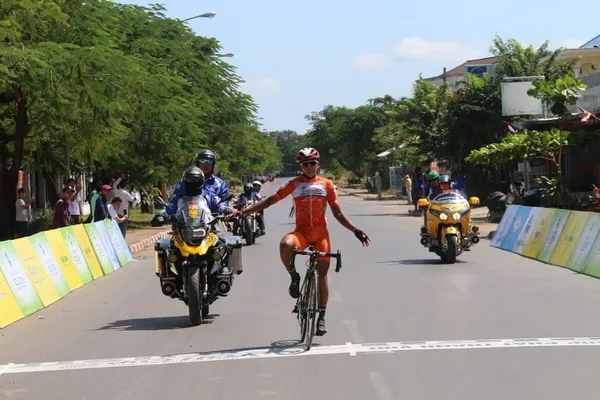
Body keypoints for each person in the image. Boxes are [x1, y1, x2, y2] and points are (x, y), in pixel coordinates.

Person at [226, 147, 371, 336]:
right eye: (305, 164)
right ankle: (294, 276)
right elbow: (270, 200)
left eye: (312, 164)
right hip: (301, 233)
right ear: (300, 166)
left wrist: (355, 230)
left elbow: (337, 213)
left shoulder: (327, 185)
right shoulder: (294, 184)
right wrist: (242, 212)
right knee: (285, 244)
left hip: (320, 235)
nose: (309, 167)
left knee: (322, 274)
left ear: (318, 164)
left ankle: (321, 317)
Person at [164, 148, 230, 215]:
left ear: (213, 165)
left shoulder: (217, 187)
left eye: (209, 161)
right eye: (203, 161)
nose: (206, 164)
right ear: (198, 163)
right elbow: (174, 201)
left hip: (212, 221)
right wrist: (164, 214)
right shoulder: (184, 181)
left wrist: (224, 209)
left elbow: (221, 203)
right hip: (185, 219)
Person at [160, 166, 231, 218]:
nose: (193, 182)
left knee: (221, 237)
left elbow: (219, 205)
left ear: (201, 181)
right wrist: (162, 215)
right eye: (190, 179)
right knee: (166, 239)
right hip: (182, 230)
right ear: (185, 181)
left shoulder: (209, 195)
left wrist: (225, 209)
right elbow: (169, 207)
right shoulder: (179, 196)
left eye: (196, 179)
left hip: (207, 229)